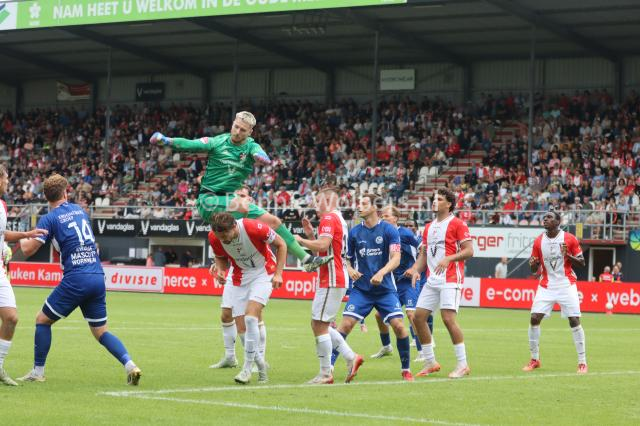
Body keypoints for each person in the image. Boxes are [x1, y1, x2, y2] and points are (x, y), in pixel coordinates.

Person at [150, 111, 332, 273]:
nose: (237, 132)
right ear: (232, 124)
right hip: (208, 200)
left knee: (274, 221)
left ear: (250, 132)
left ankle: (307, 260)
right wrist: (166, 140)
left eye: (243, 130)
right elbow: (189, 144)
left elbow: (262, 154)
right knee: (243, 206)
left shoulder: (251, 146)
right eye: (236, 127)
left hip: (230, 199)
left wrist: (262, 158)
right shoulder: (217, 142)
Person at [18, 174, 142, 384]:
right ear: (66, 193)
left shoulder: (49, 218)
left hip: (76, 277)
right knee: (101, 331)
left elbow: (28, 249)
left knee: (42, 320)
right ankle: (130, 365)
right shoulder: (80, 211)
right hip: (97, 275)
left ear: (46, 197)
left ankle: (38, 372)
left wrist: (21, 236)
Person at [333, 193, 414, 382]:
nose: (358, 206)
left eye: (363, 203)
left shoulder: (389, 230)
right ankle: (328, 369)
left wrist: (381, 273)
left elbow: (396, 258)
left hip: (385, 290)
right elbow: (346, 259)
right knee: (345, 325)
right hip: (362, 290)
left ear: (374, 207)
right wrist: (350, 269)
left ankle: (406, 370)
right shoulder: (354, 232)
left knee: (399, 327)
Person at [208, 212, 286, 385]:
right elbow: (221, 257)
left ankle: (247, 368)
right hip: (239, 277)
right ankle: (261, 365)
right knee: (241, 329)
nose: (223, 240)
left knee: (251, 317)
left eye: (225, 236)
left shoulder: (253, 227)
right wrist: (221, 270)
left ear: (233, 226)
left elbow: (281, 244)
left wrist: (279, 273)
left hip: (264, 273)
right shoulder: (214, 237)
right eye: (220, 237)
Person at [295, 187, 362, 384]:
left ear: (328, 201)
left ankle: (326, 373)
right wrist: (311, 235)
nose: (315, 205)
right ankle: (351, 357)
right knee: (319, 323)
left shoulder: (329, 218)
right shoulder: (338, 218)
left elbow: (323, 246)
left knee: (319, 324)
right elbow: (324, 250)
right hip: (333, 276)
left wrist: (300, 240)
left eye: (318, 201)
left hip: (332, 278)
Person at [406, 188, 474, 379]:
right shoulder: (429, 227)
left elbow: (469, 250)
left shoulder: (458, 224)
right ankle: (430, 362)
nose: (435, 201)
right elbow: (424, 254)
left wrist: (449, 258)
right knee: (418, 317)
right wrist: (415, 269)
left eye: (440, 199)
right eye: (434, 198)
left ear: (449, 204)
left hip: (450, 278)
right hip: (432, 279)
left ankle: (463, 365)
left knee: (448, 319)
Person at [0, 165, 49, 386]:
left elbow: (3, 234)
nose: (8, 182)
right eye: (5, 178)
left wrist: (27, 234)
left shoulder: (2, 205)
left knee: (11, 318)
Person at [210, 187, 267, 371]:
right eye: (236, 196)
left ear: (250, 199)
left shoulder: (257, 220)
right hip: (237, 272)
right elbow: (221, 252)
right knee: (226, 314)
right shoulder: (224, 222)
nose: (239, 199)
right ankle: (230, 357)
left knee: (254, 317)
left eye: (243, 196)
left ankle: (259, 360)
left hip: (258, 272)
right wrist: (219, 267)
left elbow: (275, 240)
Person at [523, 210, 587, 374]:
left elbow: (582, 262)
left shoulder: (569, 239)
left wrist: (568, 256)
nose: (545, 219)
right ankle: (534, 359)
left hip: (566, 284)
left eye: (549, 217)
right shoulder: (538, 241)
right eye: (544, 217)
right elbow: (534, 269)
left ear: (558, 221)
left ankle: (582, 362)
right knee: (534, 318)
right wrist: (533, 264)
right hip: (546, 285)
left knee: (574, 320)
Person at [370, 206, 428, 361]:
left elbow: (423, 250)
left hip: (408, 281)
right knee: (379, 315)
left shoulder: (405, 233)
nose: (383, 218)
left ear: (395, 218)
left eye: (386, 216)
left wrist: (414, 268)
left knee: (411, 314)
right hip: (392, 283)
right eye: (382, 216)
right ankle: (386, 346)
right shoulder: (381, 234)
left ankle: (422, 351)